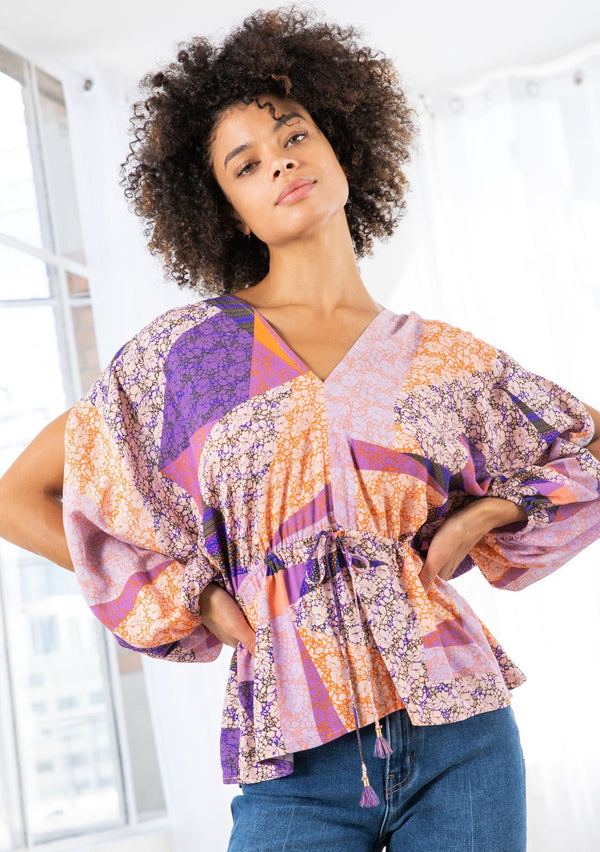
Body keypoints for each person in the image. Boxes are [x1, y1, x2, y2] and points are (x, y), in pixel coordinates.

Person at [1, 6, 600, 851]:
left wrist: (490, 514)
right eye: (245, 164)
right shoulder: (188, 358)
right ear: (229, 212)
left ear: (342, 147)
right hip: (293, 765)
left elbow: (589, 444)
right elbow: (21, 495)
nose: (279, 159)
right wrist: (195, 598)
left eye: (293, 134)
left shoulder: (442, 360)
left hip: (463, 736)